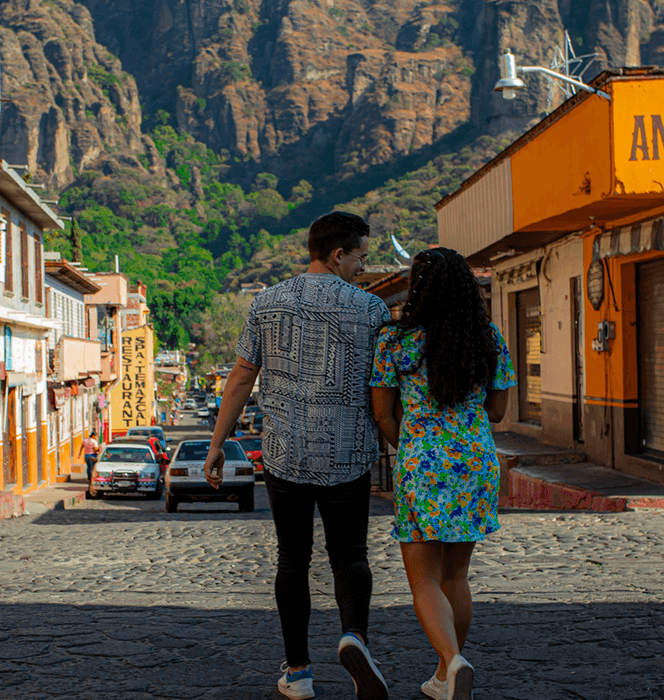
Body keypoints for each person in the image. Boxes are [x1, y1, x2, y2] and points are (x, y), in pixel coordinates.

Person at [204, 211, 390, 700]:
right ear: (337, 254)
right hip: (348, 456)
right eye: (359, 259)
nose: (362, 269)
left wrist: (219, 443)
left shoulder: (267, 302)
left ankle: (299, 672)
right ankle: (354, 639)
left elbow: (242, 377)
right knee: (350, 557)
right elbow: (381, 389)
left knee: (292, 560)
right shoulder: (372, 311)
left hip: (286, 456)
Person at [369, 248, 515, 700]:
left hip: (421, 463)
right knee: (457, 575)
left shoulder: (395, 340)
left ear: (418, 286)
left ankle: (452, 662)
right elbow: (497, 411)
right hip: (474, 464)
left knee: (423, 579)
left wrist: (413, 449)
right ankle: (444, 674)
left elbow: (382, 415)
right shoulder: (487, 337)